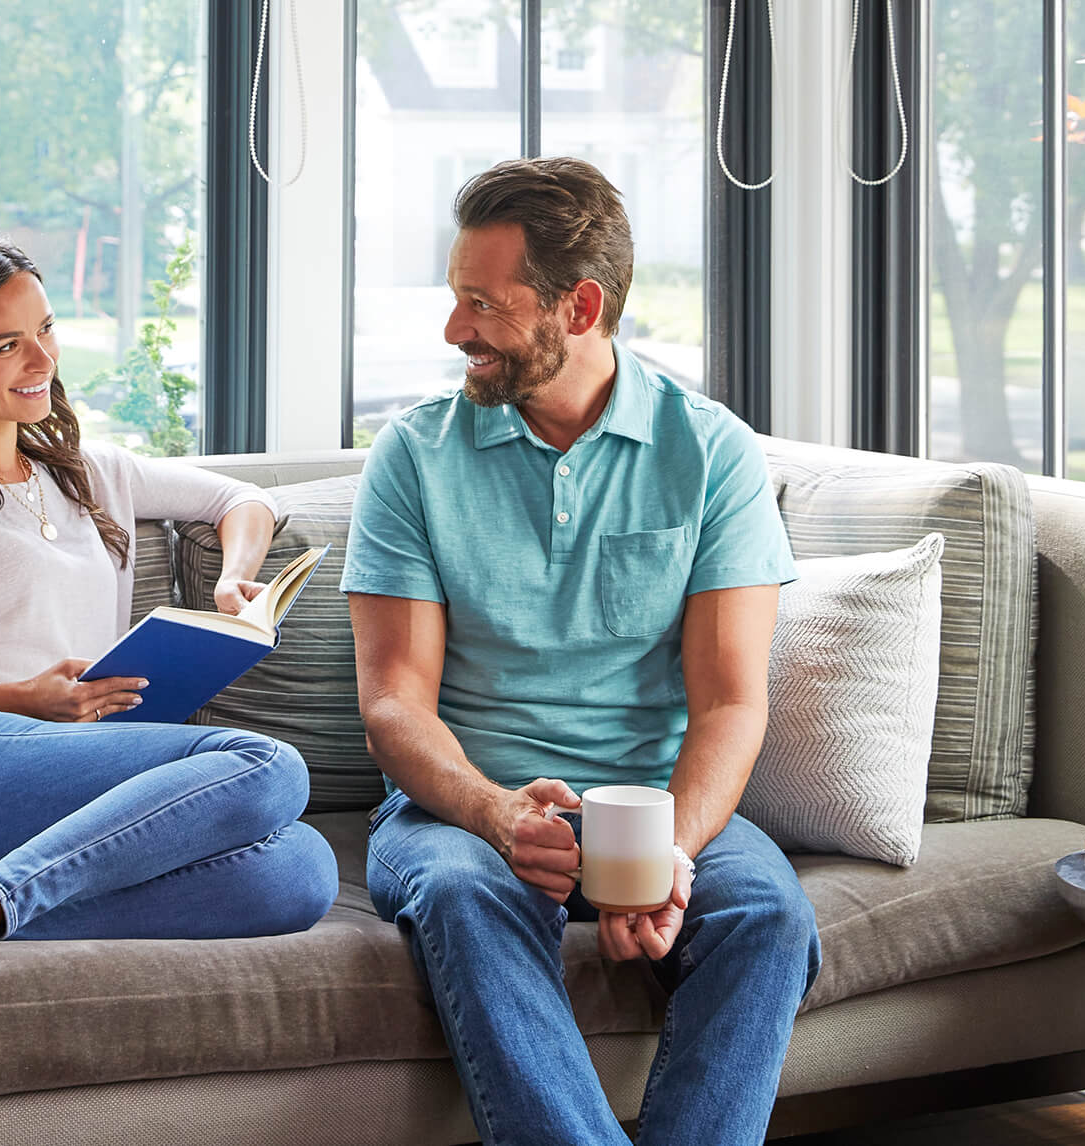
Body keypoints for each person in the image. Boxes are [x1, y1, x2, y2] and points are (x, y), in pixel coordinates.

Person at [341, 158, 820, 1145]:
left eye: (482, 302)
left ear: (580, 305)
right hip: (461, 805)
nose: (453, 330)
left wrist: (669, 853)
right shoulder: (416, 456)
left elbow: (730, 702)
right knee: (470, 895)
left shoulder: (711, 453)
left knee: (768, 919)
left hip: (653, 797)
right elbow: (394, 701)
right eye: (454, 297)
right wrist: (492, 810)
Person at [0, 230, 338, 987]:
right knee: (265, 764)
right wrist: (15, 698)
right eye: (6, 345)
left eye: (45, 330)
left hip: (59, 798)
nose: (42, 361)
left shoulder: (89, 474)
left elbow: (241, 499)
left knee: (300, 873)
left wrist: (232, 581)